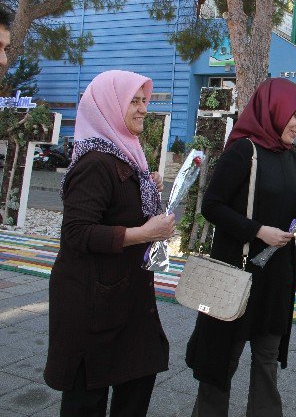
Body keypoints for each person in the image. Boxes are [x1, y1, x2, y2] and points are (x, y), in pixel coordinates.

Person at [185, 78, 296, 417]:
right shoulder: (243, 151)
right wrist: (258, 231)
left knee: (266, 362)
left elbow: (288, 218)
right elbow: (212, 206)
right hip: (238, 272)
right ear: (275, 110)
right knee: (221, 361)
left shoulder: (290, 159)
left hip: (275, 277)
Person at [44, 70, 175, 416]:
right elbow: (76, 232)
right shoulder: (95, 163)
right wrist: (144, 233)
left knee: (139, 377)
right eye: (134, 100)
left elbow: (119, 203)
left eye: (144, 100)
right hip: (92, 305)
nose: (144, 108)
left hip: (123, 299)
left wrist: (144, 184)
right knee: (87, 399)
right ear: (109, 106)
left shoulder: (125, 155)